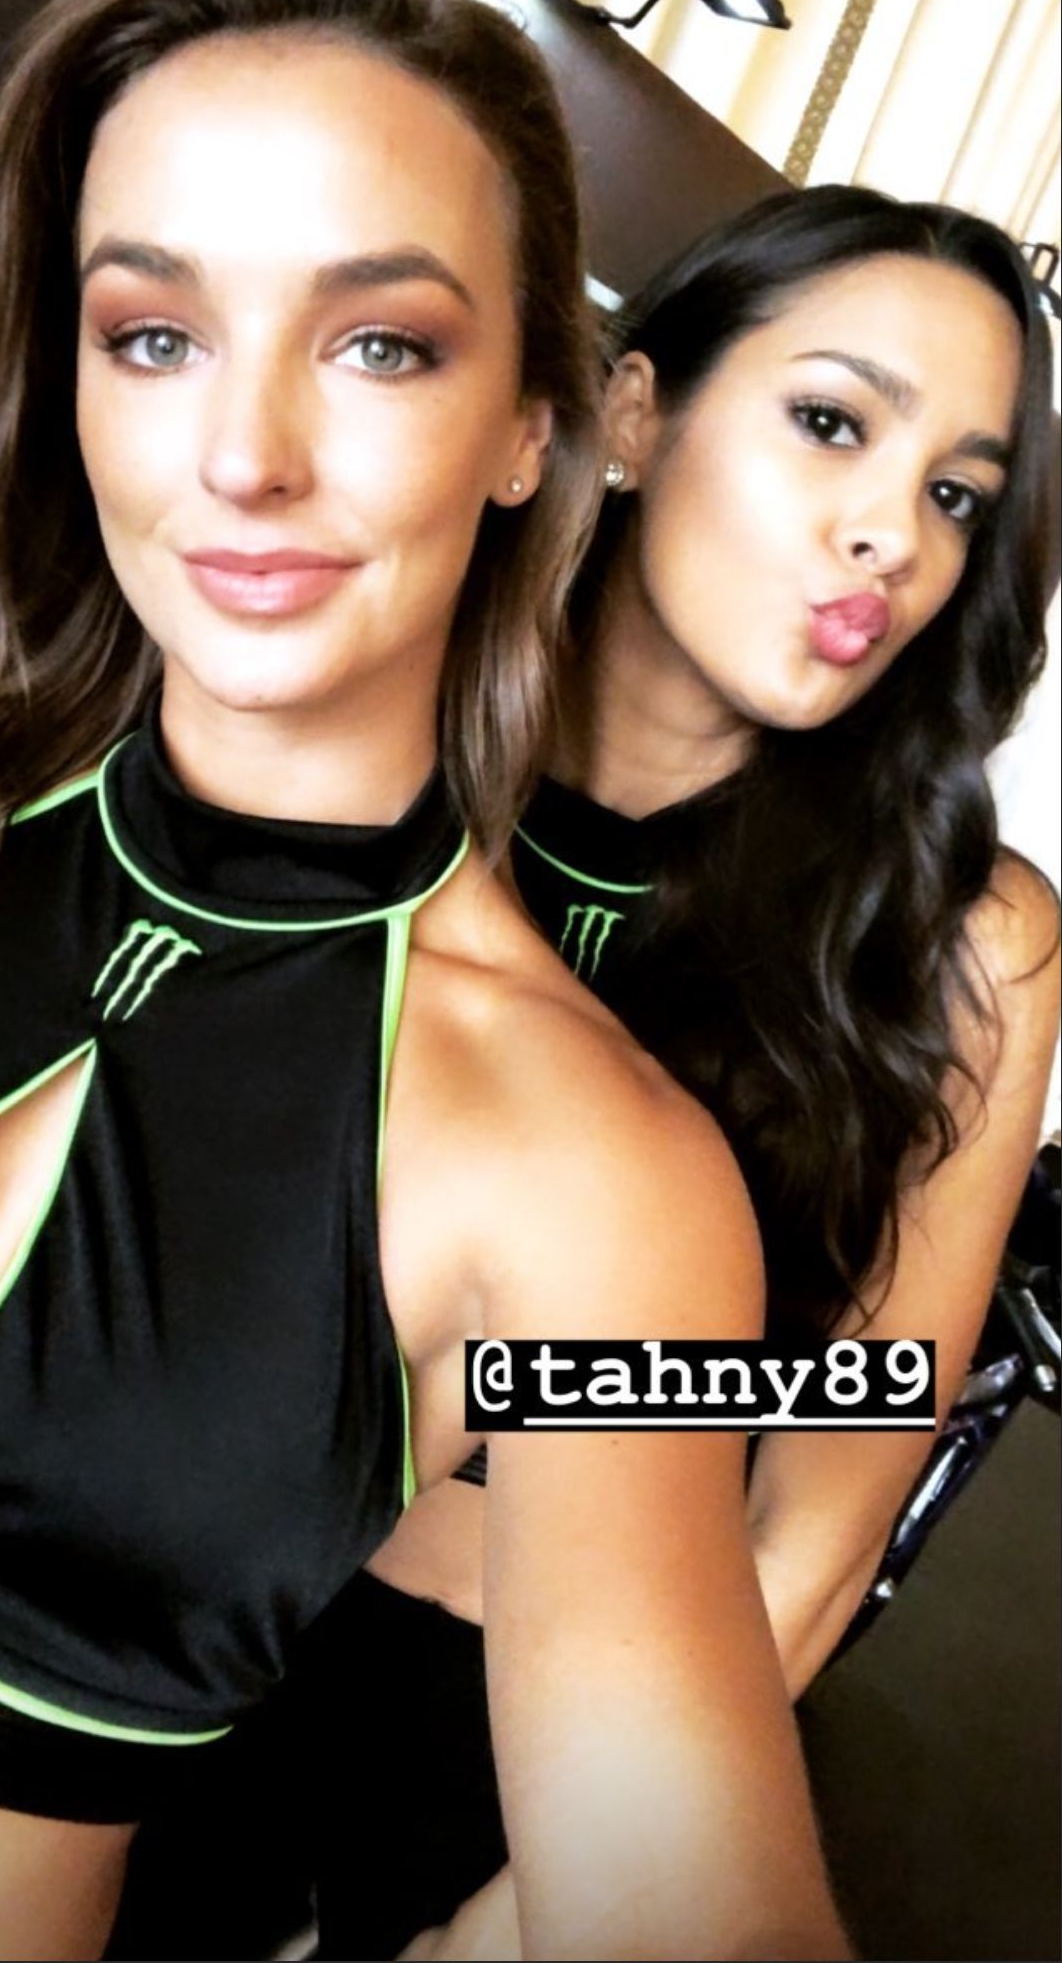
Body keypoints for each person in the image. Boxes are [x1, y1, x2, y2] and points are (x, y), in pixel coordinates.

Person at [0, 0, 846, 1961]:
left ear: (535, 427)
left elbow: (682, 1891)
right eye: (152, 335)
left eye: (381, 345)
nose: (242, 458)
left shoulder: (599, 1180)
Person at [275, 186, 1061, 1960]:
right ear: (633, 417)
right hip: (157, 1621)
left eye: (957, 496)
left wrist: (503, 1927)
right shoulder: (369, 748)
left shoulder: (966, 945)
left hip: (536, 1733)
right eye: (832, 424)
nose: (893, 537)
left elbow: (820, 1515)